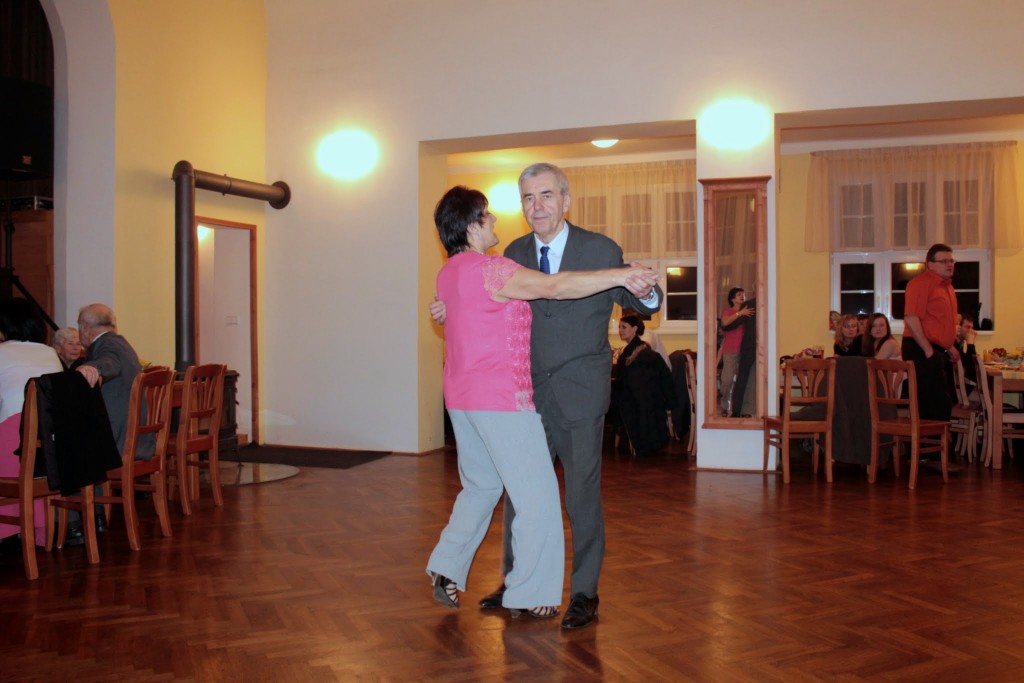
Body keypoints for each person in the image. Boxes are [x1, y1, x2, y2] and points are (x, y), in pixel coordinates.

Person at [430, 163, 662, 630]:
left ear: (565, 200)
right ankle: (517, 581)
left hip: (578, 391)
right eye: (528, 198)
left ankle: (584, 593)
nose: (536, 206)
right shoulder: (510, 253)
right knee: (522, 495)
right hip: (522, 394)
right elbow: (534, 293)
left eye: (546, 195)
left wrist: (644, 286)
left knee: (580, 496)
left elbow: (639, 303)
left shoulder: (599, 248)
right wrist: (448, 309)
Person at [0, 298, 63, 546]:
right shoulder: (50, 353)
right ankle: (37, 528)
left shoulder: (2, 352)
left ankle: (7, 529)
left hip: (14, 441)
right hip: (49, 446)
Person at [76, 304, 150, 457]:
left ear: (85, 327)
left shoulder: (106, 344)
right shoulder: (120, 343)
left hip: (119, 440)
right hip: (138, 439)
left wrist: (93, 367)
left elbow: (111, 362)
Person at [901, 244, 958, 421]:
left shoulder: (947, 287)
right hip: (921, 348)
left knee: (943, 404)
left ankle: (939, 440)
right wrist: (928, 350)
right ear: (930, 264)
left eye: (951, 261)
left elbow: (938, 322)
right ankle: (930, 440)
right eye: (944, 261)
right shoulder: (920, 283)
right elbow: (911, 318)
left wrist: (949, 347)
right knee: (932, 405)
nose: (949, 264)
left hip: (935, 349)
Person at [611, 314, 676, 456]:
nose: (620, 330)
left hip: (636, 400)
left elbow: (631, 383)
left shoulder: (639, 353)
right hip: (648, 399)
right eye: (619, 327)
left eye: (624, 327)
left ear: (635, 329)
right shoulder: (636, 350)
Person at [719, 288, 754, 417]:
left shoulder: (749, 310)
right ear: (732, 299)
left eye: (743, 294)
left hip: (745, 350)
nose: (742, 296)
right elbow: (724, 322)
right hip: (730, 350)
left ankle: (741, 409)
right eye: (739, 295)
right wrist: (740, 313)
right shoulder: (728, 311)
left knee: (744, 380)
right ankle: (724, 405)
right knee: (727, 380)